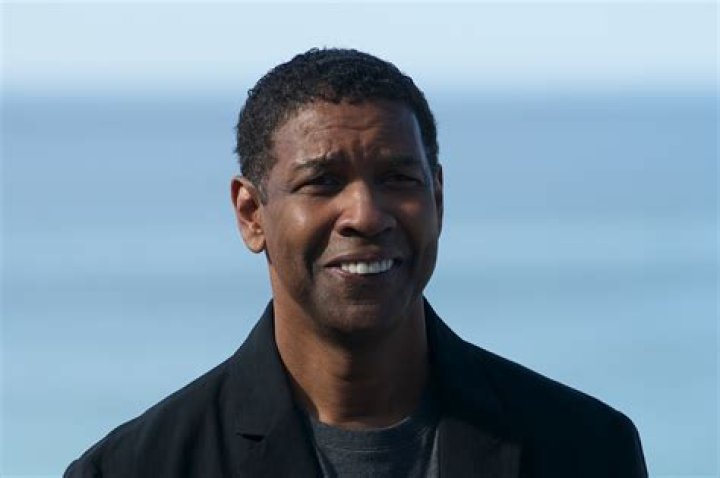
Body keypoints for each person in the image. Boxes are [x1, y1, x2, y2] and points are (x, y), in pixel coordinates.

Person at [65, 48, 647, 477]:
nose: (366, 215)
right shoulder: (134, 468)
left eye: (398, 179)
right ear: (251, 214)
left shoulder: (587, 449)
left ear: (438, 199)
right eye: (322, 182)